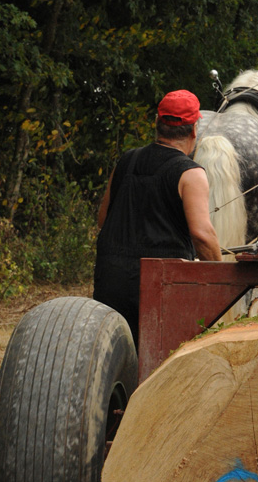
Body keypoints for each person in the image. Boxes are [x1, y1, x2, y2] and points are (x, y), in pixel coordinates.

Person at [93, 88, 222, 343]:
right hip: (161, 285)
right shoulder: (191, 173)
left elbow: (103, 219)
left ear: (157, 123)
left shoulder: (126, 161)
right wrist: (220, 274)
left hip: (112, 279)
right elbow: (202, 235)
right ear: (195, 129)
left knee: (117, 354)